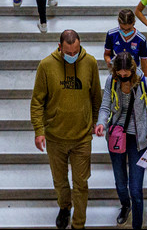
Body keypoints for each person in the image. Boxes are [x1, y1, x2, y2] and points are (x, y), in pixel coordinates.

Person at [30, 29, 101, 230]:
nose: (73, 56)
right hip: (55, 137)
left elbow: (96, 96)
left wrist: (96, 121)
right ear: (60, 47)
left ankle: (79, 223)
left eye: (76, 52)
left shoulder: (90, 63)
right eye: (68, 53)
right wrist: (39, 130)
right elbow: (37, 102)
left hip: (82, 137)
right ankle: (64, 206)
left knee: (81, 184)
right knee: (60, 181)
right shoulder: (46, 65)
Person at [95, 52, 147, 230]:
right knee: (120, 182)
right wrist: (101, 123)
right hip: (117, 135)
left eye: (127, 75)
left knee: (136, 189)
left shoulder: (143, 83)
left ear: (132, 70)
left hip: (139, 139)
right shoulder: (112, 81)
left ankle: (137, 225)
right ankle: (125, 205)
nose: (124, 78)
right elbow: (105, 106)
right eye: (120, 74)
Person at [105, 9, 147, 78]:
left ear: (134, 23)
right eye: (122, 29)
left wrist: (146, 80)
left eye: (129, 29)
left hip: (133, 74)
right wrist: (109, 62)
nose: (125, 32)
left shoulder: (141, 39)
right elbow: (107, 54)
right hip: (117, 72)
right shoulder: (111, 35)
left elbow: (144, 62)